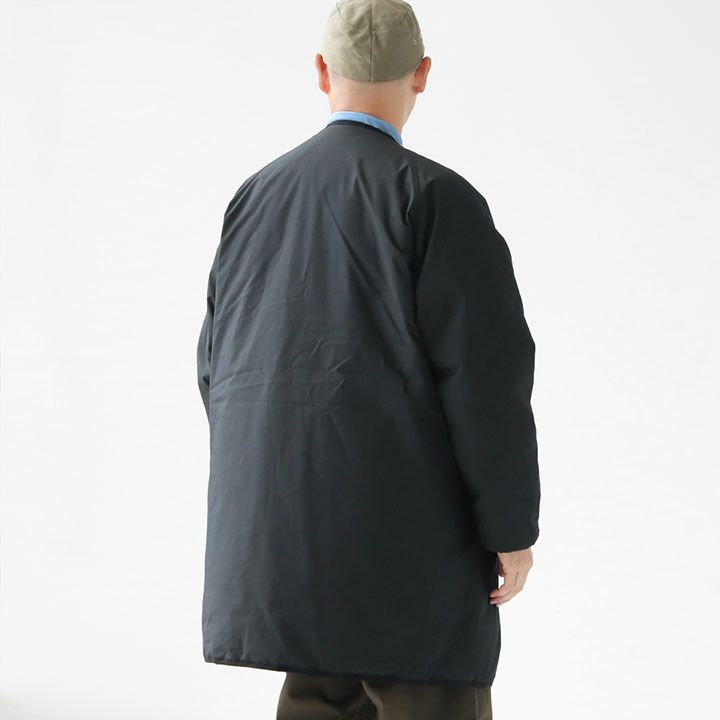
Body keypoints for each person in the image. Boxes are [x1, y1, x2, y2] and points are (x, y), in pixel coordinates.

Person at [196, 0, 540, 717]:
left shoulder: (255, 198)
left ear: (322, 72)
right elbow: (485, 385)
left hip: (286, 555)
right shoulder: (436, 199)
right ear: (423, 74)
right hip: (410, 568)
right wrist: (510, 531)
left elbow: (216, 369)